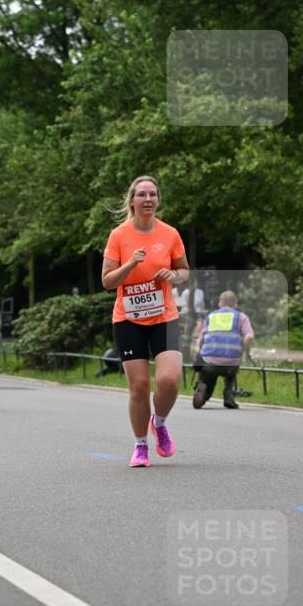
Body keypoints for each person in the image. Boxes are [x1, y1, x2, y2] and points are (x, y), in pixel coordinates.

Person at [101, 175, 189, 467]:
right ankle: (140, 446)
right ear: (132, 200)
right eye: (142, 195)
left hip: (165, 316)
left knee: (170, 380)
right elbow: (107, 281)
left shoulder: (170, 234)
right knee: (139, 386)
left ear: (158, 200)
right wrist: (131, 264)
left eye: (152, 194)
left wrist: (172, 275)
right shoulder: (118, 235)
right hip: (128, 320)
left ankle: (159, 423)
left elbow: (184, 271)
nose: (148, 199)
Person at [193, 290, 254, 409]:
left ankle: (203, 390)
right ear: (235, 304)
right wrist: (243, 349)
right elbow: (250, 336)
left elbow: (200, 341)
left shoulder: (210, 317)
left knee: (206, 376)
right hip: (231, 363)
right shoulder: (241, 317)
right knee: (231, 372)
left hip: (210, 362)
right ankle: (228, 396)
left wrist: (199, 354)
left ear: (220, 303)